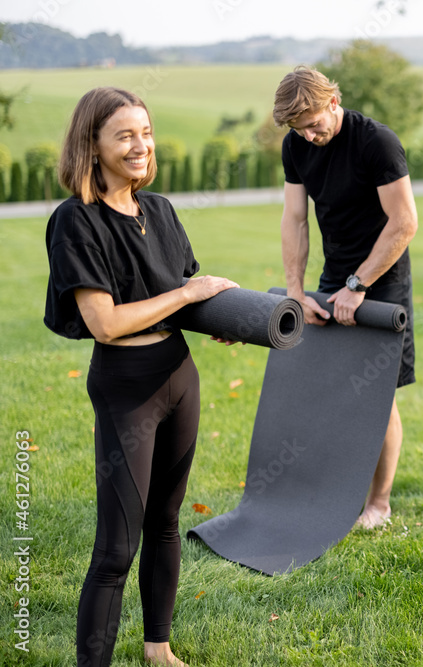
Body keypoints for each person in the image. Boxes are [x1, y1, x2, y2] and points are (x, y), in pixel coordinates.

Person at [44, 87, 238, 667]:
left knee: (166, 523)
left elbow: (182, 295)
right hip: (127, 383)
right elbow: (104, 323)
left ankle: (158, 648)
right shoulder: (76, 221)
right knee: (116, 545)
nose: (140, 146)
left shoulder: (159, 211)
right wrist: (186, 294)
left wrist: (219, 314)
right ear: (92, 144)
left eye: (145, 133)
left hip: (178, 373)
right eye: (124, 135)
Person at [272, 66, 419, 529]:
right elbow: (295, 218)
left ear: (334, 101)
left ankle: (379, 502)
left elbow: (404, 223)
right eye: (301, 129)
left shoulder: (376, 142)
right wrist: (296, 291)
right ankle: (340, 489)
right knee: (336, 388)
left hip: (383, 276)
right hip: (334, 273)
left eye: (315, 123)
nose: (310, 135)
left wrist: (359, 286)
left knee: (378, 395)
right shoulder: (295, 146)